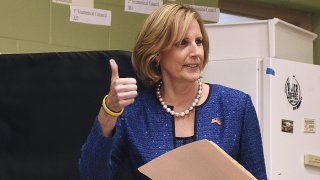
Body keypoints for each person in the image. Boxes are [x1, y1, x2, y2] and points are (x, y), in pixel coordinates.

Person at [79, 3, 267, 180]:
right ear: (157, 53)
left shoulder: (236, 106)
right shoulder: (134, 112)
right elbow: (91, 175)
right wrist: (109, 110)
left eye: (199, 41)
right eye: (183, 43)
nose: (196, 52)